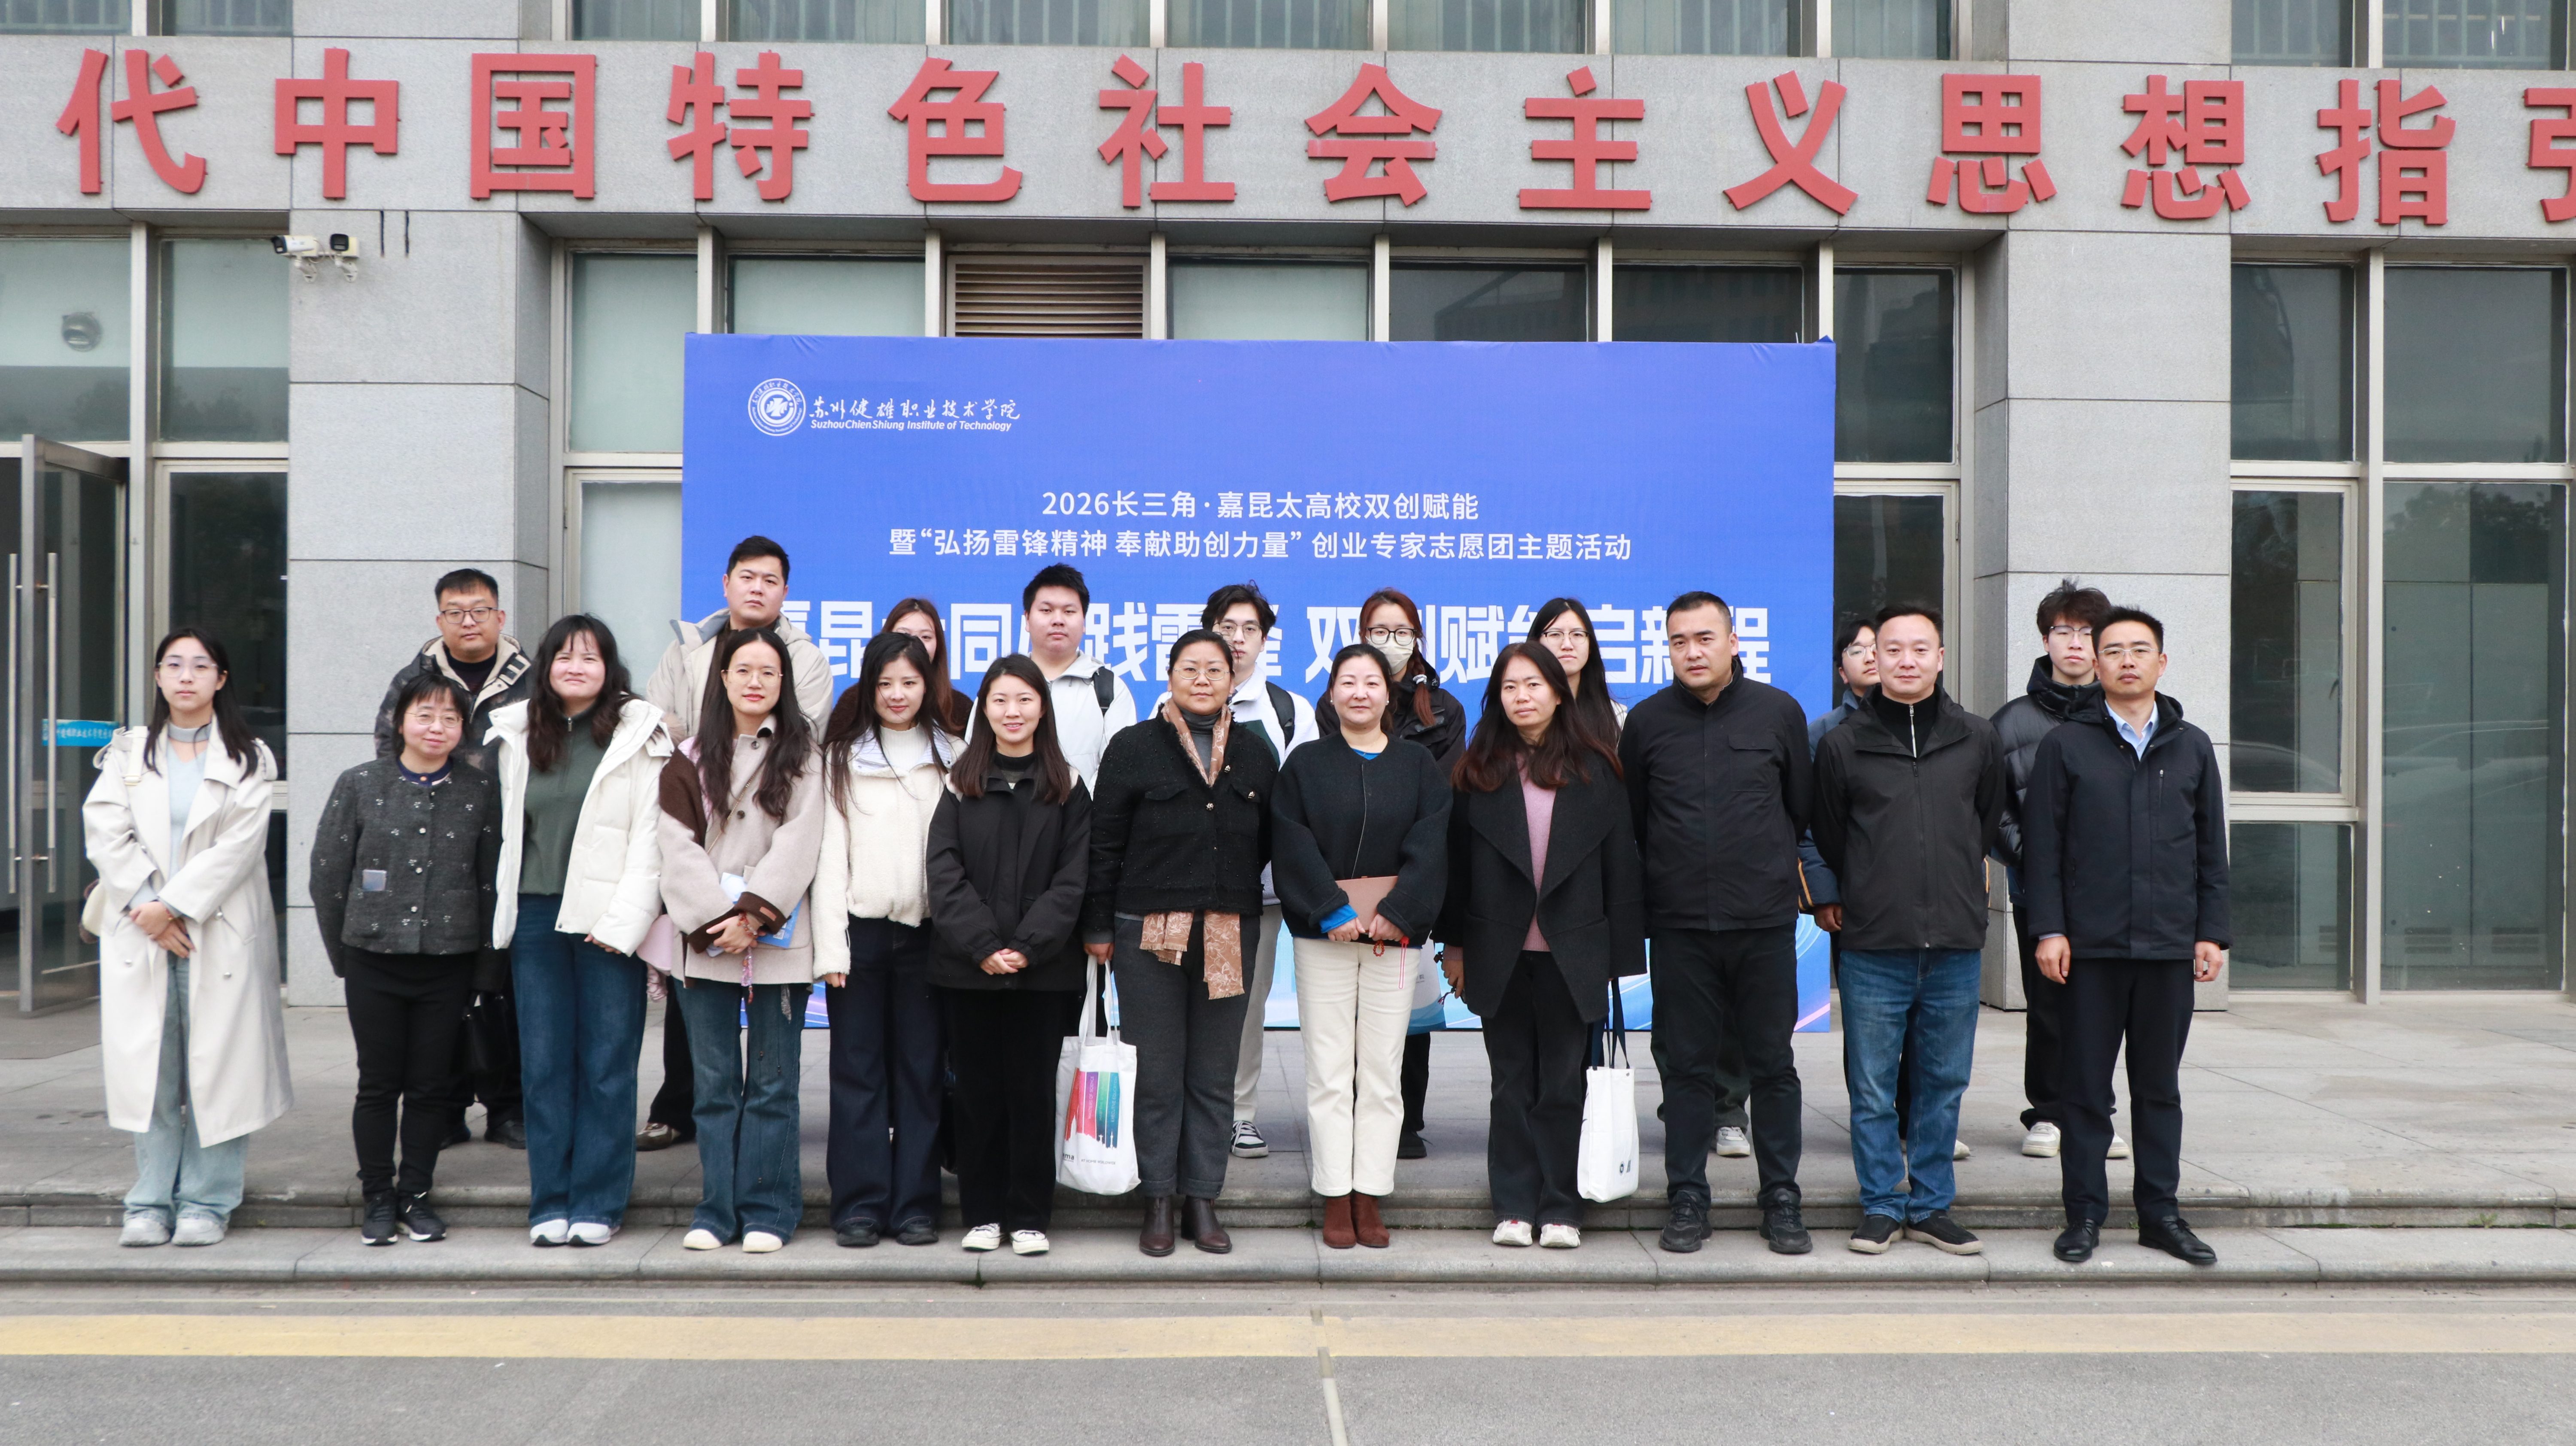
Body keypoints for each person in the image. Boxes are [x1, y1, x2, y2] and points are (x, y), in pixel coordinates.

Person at [2026, 607, 2230, 1267]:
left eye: (2140, 650)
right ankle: (2084, 1215)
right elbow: (2044, 850)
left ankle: (2160, 1215)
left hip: (2169, 947)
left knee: (2159, 1089)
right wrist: (2050, 929)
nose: (2127, 661)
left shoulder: (2192, 745)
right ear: (2096, 664)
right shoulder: (2066, 745)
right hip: (2090, 949)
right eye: (2113, 650)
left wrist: (2211, 933)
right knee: (2085, 1090)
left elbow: (2211, 848)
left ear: (2162, 663)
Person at [1619, 591, 1815, 1256]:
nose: (1692, 652)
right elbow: (1638, 820)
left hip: (1763, 923)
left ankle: (1782, 1197)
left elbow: (1798, 807)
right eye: (1679, 641)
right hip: (1681, 926)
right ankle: (1686, 1196)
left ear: (1734, 642)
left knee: (1773, 1064)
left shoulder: (1778, 712)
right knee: (1687, 1067)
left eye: (1705, 638)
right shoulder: (1647, 722)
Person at [1537, 596, 1765, 1161]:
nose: (1566, 644)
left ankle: (1723, 1110)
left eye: (1577, 634)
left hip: (1621, 884)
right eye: (1553, 634)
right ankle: (1564, 1115)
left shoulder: (1622, 719)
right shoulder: (1517, 713)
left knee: (1711, 1008)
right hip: (1544, 890)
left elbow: (1634, 811)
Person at [84, 629, 291, 1249]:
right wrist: (146, 906)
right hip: (141, 929)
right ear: (157, 676)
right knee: (150, 1071)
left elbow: (239, 846)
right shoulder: (128, 753)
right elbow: (105, 831)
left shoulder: (249, 756)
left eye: (201, 666)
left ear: (221, 679)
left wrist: (171, 906)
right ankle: (149, 1201)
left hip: (216, 929)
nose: (186, 676)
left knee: (218, 1070)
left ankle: (208, 1200)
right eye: (173, 665)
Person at [1811, 606, 2006, 1258]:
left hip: (1954, 941)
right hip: (1874, 942)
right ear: (1874, 658)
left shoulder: (1977, 737)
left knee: (1942, 1083)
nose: (1906, 660)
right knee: (1872, 1087)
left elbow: (1983, 824)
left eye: (1920, 648)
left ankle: (1930, 1205)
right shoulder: (1843, 743)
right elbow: (1832, 833)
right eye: (1892, 649)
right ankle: (1879, 1204)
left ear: (1940, 657)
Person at [1437, 644, 1643, 1250]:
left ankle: (1560, 1206)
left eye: (1533, 685)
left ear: (1558, 693)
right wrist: (1455, 947)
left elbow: (1620, 867)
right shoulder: (1478, 769)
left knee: (1562, 1082)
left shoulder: (1596, 768)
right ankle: (1512, 1205)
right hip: (1497, 949)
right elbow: (1457, 867)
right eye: (1509, 687)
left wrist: (1620, 959)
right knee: (1510, 1082)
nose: (1521, 696)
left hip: (1572, 951)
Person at [1084, 629, 1277, 1258]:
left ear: (1233, 679)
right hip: (1148, 929)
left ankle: (1203, 1198)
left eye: (1215, 669)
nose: (1202, 679)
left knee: (1214, 1073)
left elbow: (1272, 840)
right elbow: (1104, 841)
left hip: (1227, 928)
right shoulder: (1133, 747)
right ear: (1169, 676)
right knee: (1159, 1072)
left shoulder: (1255, 751)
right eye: (1190, 668)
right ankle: (1159, 1199)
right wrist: (1097, 925)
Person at [637, 536, 831, 1154]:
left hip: (767, 840)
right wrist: (704, 755)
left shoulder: (807, 658)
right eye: (747, 576)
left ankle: (764, 1172)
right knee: (696, 994)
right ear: (726, 584)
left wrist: (754, 908)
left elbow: (799, 735)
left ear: (785, 592)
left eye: (770, 580)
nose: (757, 588)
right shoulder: (687, 650)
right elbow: (659, 725)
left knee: (772, 1061)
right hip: (698, 825)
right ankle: (679, 1108)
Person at [487, 616, 671, 1247]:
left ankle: (598, 1200)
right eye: (564, 656)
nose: (576, 667)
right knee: (543, 1065)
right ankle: (551, 1200)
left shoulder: (638, 734)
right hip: (537, 915)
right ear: (546, 666)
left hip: (608, 918)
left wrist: (624, 924)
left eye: (590, 657)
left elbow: (651, 840)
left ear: (609, 668)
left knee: (606, 1064)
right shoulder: (517, 733)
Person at [310, 672, 502, 1246]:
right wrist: (345, 955)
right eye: (424, 714)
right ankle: (377, 1195)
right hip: (372, 958)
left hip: (448, 961)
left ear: (463, 728)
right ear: (400, 722)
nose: (436, 727)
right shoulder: (360, 784)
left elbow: (489, 882)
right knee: (377, 1084)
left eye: (450, 718)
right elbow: (328, 876)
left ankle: (416, 1194)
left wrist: (485, 970)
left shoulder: (478, 791)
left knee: (429, 1086)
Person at [1270, 644, 1449, 1250]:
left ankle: (1369, 1191)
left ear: (1388, 695)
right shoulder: (1305, 765)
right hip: (1324, 938)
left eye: (1371, 682)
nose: (1359, 692)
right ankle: (1334, 1192)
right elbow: (1290, 840)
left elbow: (1433, 843)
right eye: (1347, 681)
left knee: (1380, 1070)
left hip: (1393, 941)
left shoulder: (1417, 766)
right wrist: (1330, 908)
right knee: (1328, 1070)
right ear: (1331, 694)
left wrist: (1399, 912)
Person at [659, 626, 827, 1254]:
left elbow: (801, 842)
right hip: (707, 943)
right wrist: (716, 920)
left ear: (784, 683)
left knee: (775, 1085)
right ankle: (716, 1210)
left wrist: (754, 914)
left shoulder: (804, 754)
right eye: (744, 670)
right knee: (714, 1085)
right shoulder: (689, 756)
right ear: (723, 679)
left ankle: (770, 1211)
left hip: (776, 942)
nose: (756, 682)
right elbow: (675, 847)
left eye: (769, 672)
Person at [925, 655, 1093, 1258]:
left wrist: (1025, 948)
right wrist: (983, 946)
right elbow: (943, 871)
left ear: (1042, 708)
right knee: (977, 1095)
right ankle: (982, 1213)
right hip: (968, 971)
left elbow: (1074, 879)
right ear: (985, 710)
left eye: (1024, 699)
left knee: (1032, 1094)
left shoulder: (1068, 785)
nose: (1012, 711)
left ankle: (1028, 1215)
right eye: (1000, 700)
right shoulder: (960, 782)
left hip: (1043, 973)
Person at [372, 567, 531, 1151]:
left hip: (512, 847)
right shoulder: (413, 680)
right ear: (439, 619)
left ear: (500, 617)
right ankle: (443, 1108)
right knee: (444, 987)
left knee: (504, 982)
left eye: (480, 610)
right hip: (433, 851)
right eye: (456, 612)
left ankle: (508, 1107)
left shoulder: (532, 679)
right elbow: (390, 754)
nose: (469, 622)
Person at [813, 631, 963, 1249]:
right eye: (885, 683)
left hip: (930, 937)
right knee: (857, 1073)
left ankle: (916, 1205)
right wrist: (831, 947)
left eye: (909, 682)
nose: (897, 694)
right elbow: (829, 859)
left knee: (922, 1073)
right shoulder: (841, 757)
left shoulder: (954, 754)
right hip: (861, 937)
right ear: (869, 689)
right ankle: (859, 1204)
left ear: (928, 685)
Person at [1990, 579, 2117, 1163]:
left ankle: (2094, 1113)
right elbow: (1993, 811)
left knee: (2103, 1007)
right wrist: (2038, 860)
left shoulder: (2121, 715)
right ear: (2046, 640)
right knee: (2047, 1005)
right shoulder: (2011, 721)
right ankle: (2046, 1112)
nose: (2075, 643)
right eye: (2063, 631)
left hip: (2109, 890)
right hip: (2037, 890)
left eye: (2087, 632)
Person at [1193, 581, 1318, 1165]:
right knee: (1190, 1002)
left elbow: (1303, 807)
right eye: (1227, 627)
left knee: (1241, 1005)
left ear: (1266, 640)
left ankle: (1238, 1113)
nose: (1237, 640)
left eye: (1250, 629)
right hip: (1185, 892)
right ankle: (1194, 1110)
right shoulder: (1173, 704)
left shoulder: (1288, 713)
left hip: (1257, 895)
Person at [1361, 586, 1465, 1162]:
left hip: (1416, 874)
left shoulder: (1444, 709)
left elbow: (1440, 795)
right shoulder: (1338, 700)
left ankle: (1406, 1120)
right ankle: (1360, 1112)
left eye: (1402, 632)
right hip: (1354, 875)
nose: (1391, 642)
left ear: (1418, 638)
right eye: (1379, 632)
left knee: (1410, 1007)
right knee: (1357, 1010)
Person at [1023, 564, 1137, 793]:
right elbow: (977, 757)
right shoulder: (1002, 684)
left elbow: (1120, 768)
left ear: (1084, 622)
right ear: (1027, 619)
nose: (1058, 620)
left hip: (1086, 814)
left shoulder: (1109, 688)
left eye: (1069, 612)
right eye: (1046, 610)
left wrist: (1079, 807)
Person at [884, 595, 972, 735]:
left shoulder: (960, 708)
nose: (915, 644)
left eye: (926, 637)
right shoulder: (855, 702)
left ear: (938, 645)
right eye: (904, 635)